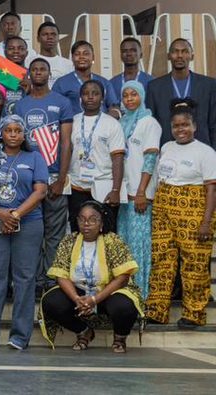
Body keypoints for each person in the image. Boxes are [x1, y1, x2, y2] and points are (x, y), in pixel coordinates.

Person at [0, 115, 48, 350]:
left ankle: (19, 336)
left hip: (28, 223)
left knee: (24, 279)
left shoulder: (35, 157)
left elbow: (41, 191)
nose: (13, 134)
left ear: (24, 134)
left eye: (18, 130)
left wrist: (14, 215)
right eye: (9, 130)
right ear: (2, 134)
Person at [146, 102, 216, 328]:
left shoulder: (205, 152)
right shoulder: (166, 147)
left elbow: (211, 189)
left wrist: (206, 222)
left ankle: (193, 315)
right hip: (164, 208)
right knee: (162, 262)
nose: (180, 129)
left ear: (194, 126)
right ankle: (157, 311)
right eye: (176, 126)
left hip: (194, 210)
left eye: (185, 125)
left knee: (194, 265)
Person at [41, 201, 142, 353]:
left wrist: (95, 299)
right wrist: (76, 298)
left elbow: (123, 277)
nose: (86, 223)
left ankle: (120, 337)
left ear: (102, 222)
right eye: (82, 219)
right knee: (51, 301)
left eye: (93, 219)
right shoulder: (69, 241)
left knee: (124, 306)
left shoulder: (113, 240)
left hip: (107, 293)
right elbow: (60, 275)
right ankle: (84, 331)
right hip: (80, 294)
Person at [13, 59, 74, 288]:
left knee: (55, 232)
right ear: (29, 74)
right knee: (30, 232)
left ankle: (52, 279)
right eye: (35, 69)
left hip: (54, 176)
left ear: (49, 74)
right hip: (28, 180)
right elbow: (16, 143)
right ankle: (34, 279)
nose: (38, 73)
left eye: (43, 70)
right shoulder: (21, 105)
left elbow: (67, 143)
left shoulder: (62, 102)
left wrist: (61, 178)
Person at [116, 81, 160, 296]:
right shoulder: (122, 122)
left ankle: (141, 297)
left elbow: (150, 159)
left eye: (135, 94)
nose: (130, 98)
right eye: (126, 95)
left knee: (139, 250)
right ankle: (125, 296)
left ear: (142, 96)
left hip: (139, 197)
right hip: (124, 197)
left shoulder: (149, 122)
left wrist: (142, 192)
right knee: (124, 248)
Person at [68, 80, 126, 233]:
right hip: (77, 187)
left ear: (103, 97)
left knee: (106, 233)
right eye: (86, 94)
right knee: (78, 232)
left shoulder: (112, 124)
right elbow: (67, 153)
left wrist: (116, 190)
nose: (90, 97)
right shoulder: (73, 121)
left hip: (104, 187)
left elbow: (118, 158)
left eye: (95, 93)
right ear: (80, 98)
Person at [147, 38, 216, 147]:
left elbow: (213, 123)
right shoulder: (154, 87)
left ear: (192, 56)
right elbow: (151, 126)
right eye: (175, 51)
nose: (180, 55)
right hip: (167, 151)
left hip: (201, 150)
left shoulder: (209, 85)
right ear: (168, 56)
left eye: (185, 51)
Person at [52, 41, 120, 114]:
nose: (81, 57)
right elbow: (54, 107)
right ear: (72, 58)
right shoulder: (61, 83)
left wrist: (111, 116)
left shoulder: (104, 82)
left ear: (93, 57)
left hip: (101, 123)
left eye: (86, 54)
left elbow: (114, 106)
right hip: (74, 124)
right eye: (77, 54)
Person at [110, 37, 153, 101]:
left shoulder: (151, 82)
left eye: (133, 50)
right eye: (124, 51)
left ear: (141, 54)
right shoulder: (112, 83)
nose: (129, 54)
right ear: (121, 55)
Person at [36, 22, 73, 88]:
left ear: (58, 38)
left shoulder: (69, 64)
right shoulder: (28, 61)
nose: (50, 37)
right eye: (45, 34)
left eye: (53, 34)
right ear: (38, 38)